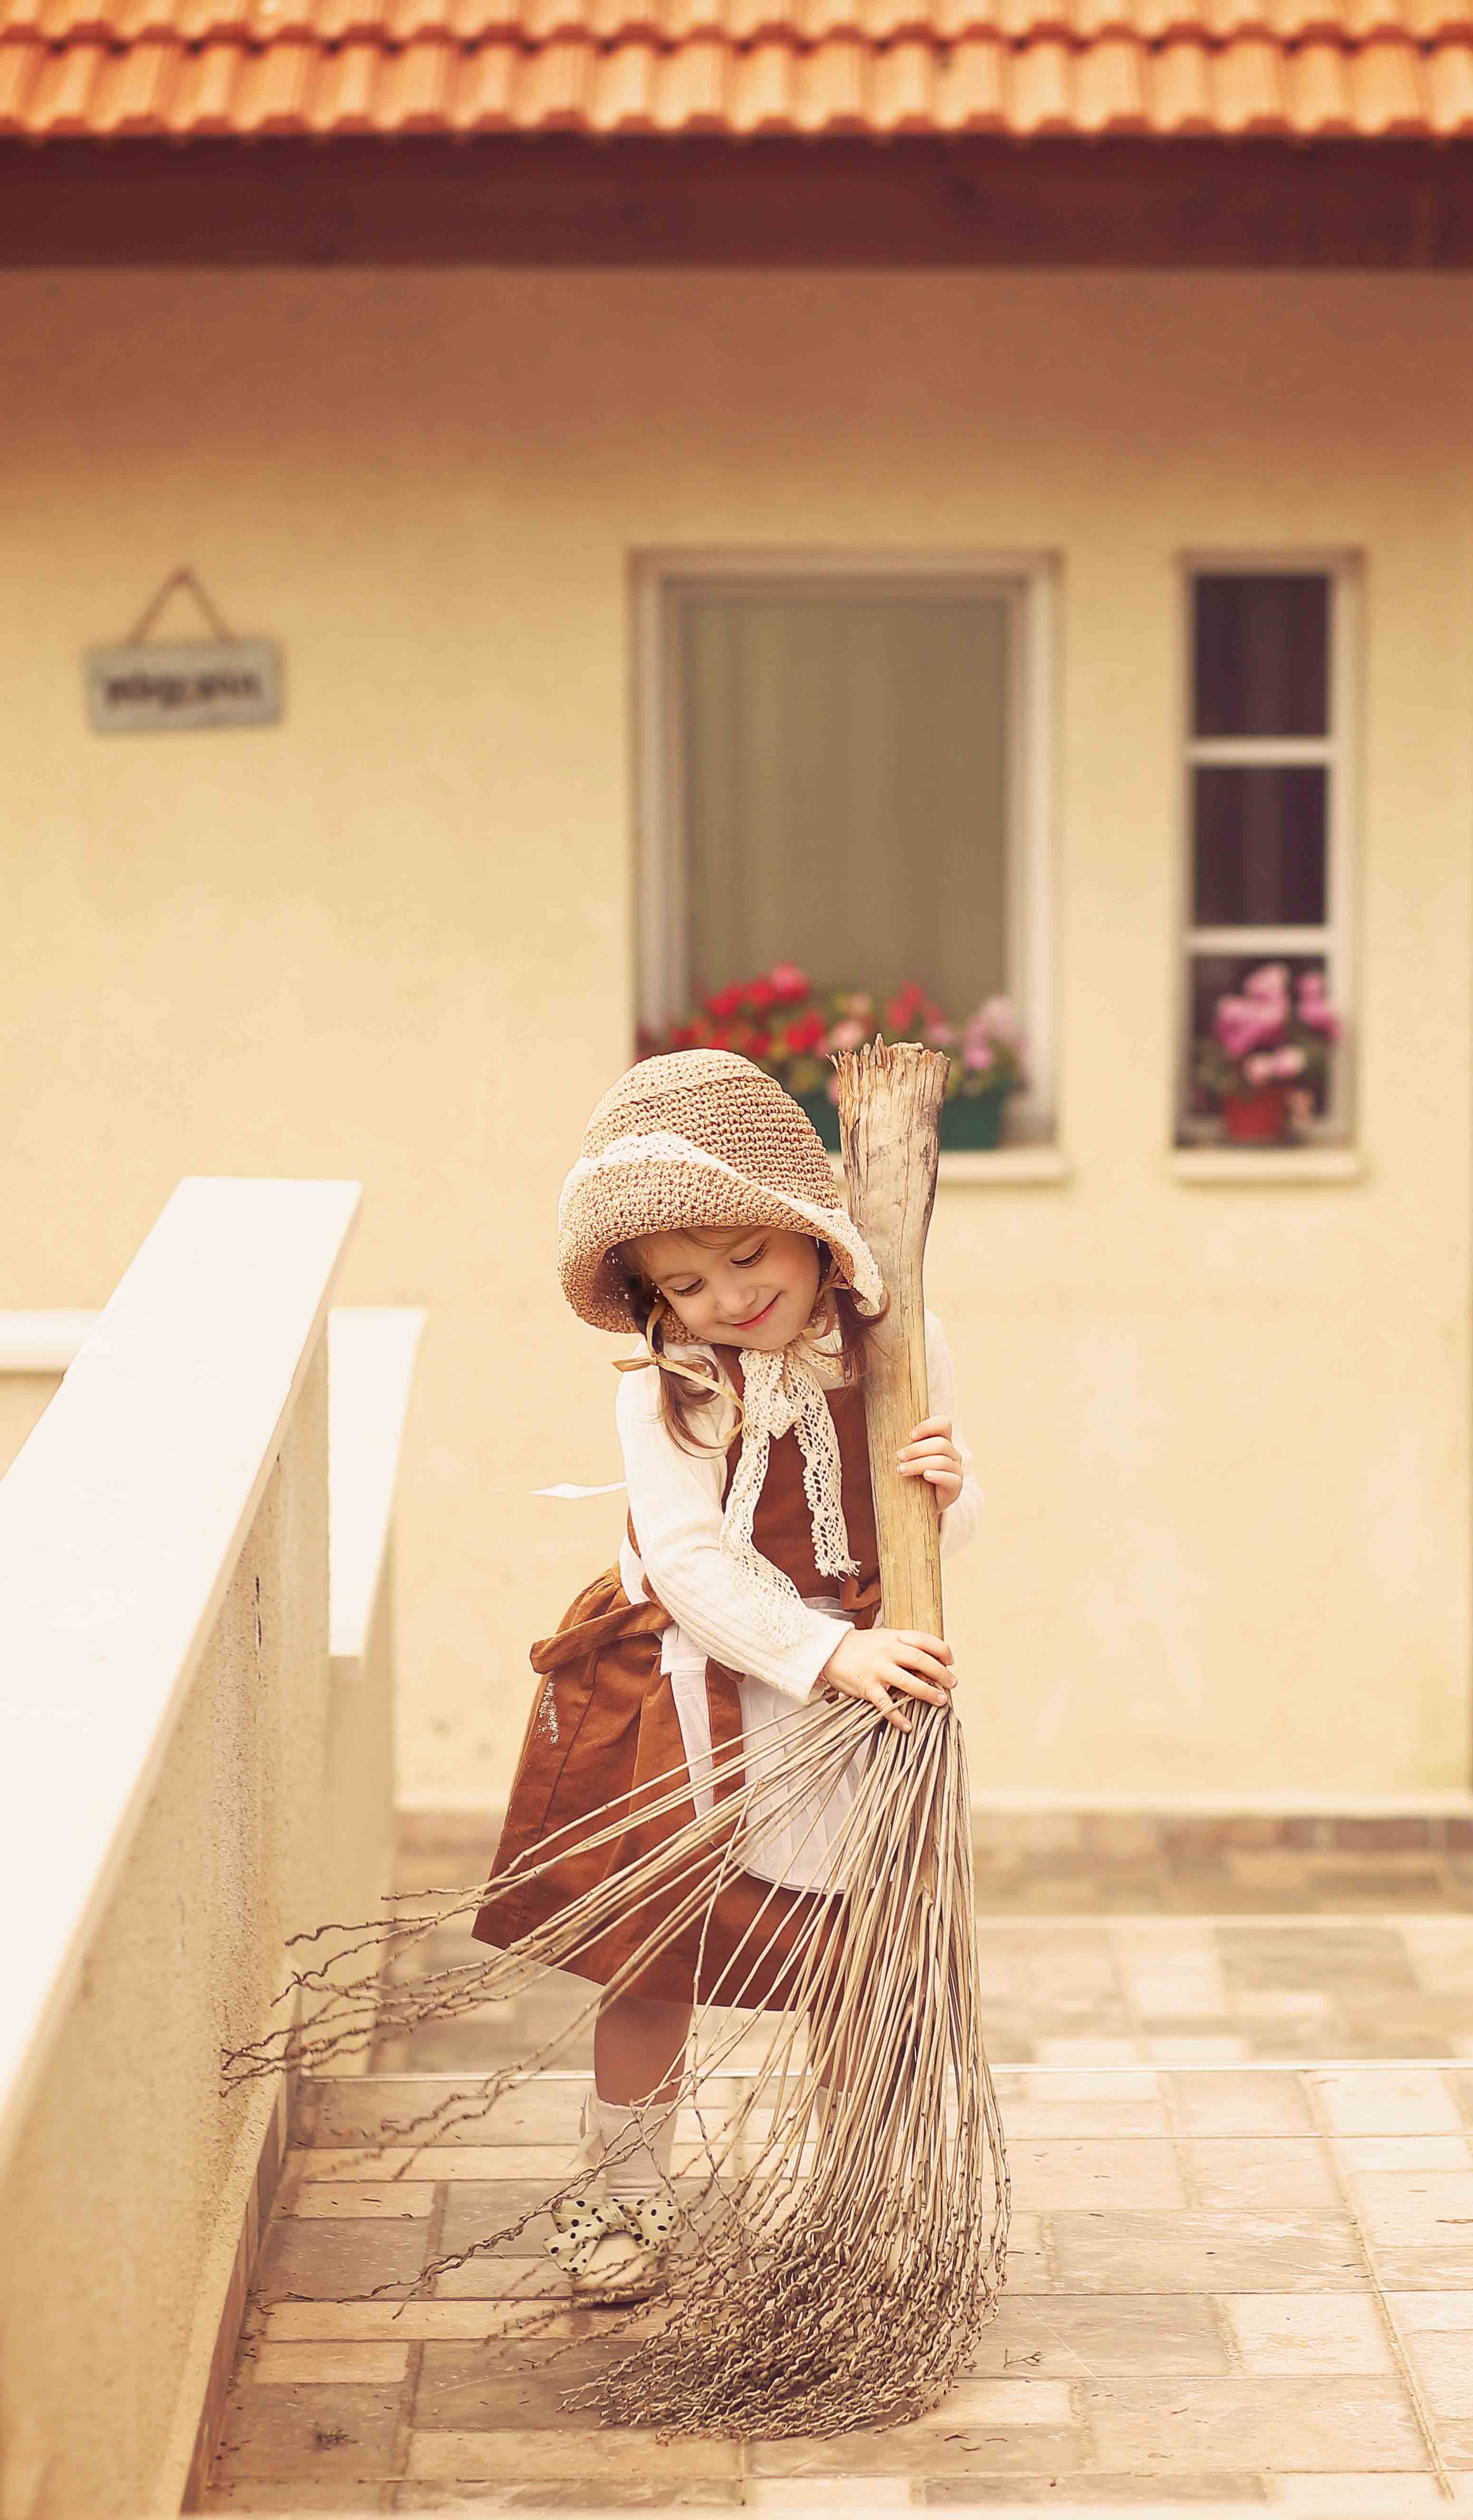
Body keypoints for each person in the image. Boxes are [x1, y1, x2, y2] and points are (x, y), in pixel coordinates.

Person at [472, 1047, 982, 2303]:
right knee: (656, 1958)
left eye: (749, 1257)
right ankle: (622, 2192)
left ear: (811, 1229)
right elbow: (688, 1561)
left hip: (863, 1698)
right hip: (690, 1688)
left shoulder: (900, 1338)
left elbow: (934, 1533)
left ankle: (868, 2199)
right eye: (687, 1283)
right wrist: (825, 1654)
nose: (728, 1298)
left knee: (857, 1960)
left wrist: (947, 1491)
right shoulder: (669, 1387)